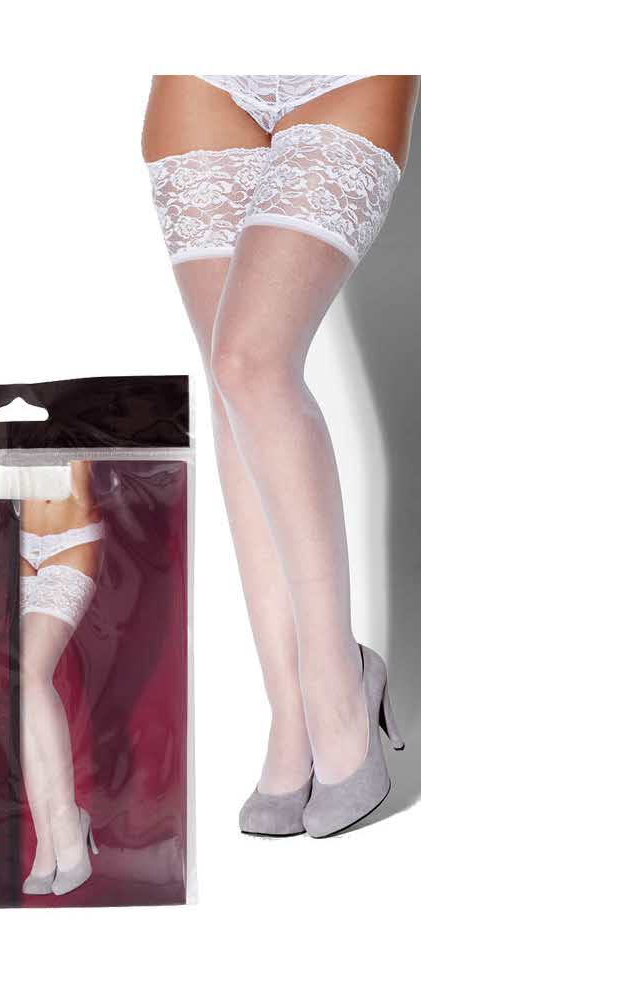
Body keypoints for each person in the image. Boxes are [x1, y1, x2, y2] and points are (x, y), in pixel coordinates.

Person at [143, 75, 418, 837]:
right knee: (231, 391)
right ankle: (290, 712)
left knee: (250, 363)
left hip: (346, 69)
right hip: (203, 75)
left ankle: (340, 688)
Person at [18, 461, 104, 892]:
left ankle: (67, 819)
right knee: (22, 691)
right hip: (20, 543)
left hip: (73, 537)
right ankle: (46, 842)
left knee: (32, 673)